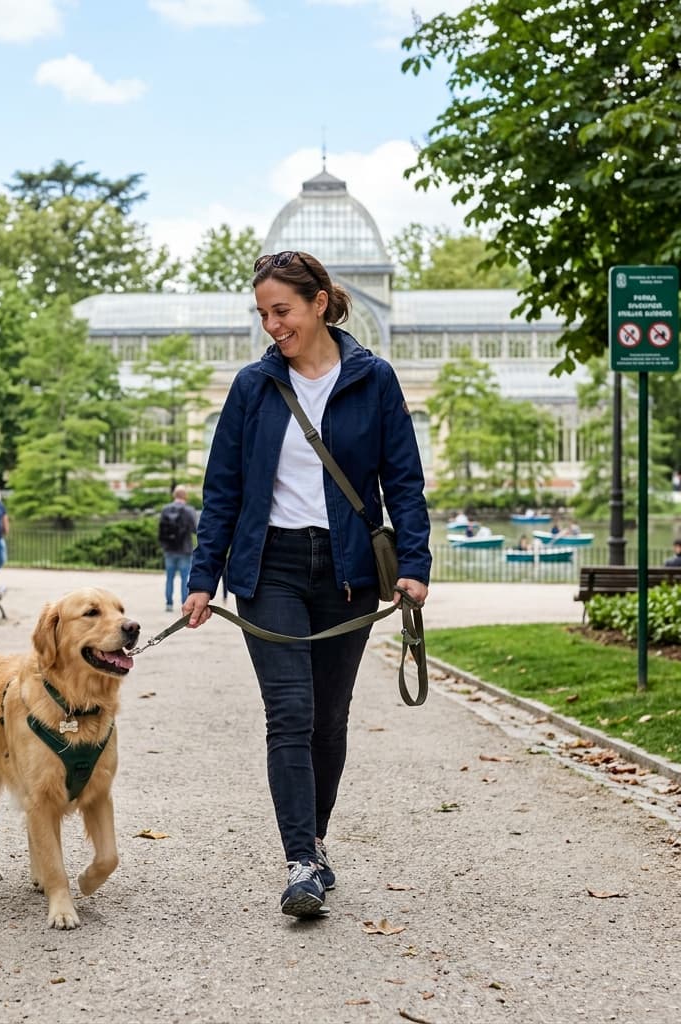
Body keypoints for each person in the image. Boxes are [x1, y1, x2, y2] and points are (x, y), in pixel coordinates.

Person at [182, 250, 431, 919]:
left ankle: (314, 844)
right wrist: (204, 576)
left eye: (282, 310)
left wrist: (414, 566)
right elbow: (222, 490)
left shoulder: (373, 380)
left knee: (328, 718)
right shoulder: (252, 387)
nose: (271, 325)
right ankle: (299, 862)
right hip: (271, 568)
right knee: (289, 713)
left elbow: (403, 480)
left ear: (320, 303)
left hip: (348, 570)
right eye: (263, 313)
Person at [158, 485, 199, 612]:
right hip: (185, 549)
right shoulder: (189, 510)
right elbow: (195, 529)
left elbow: (161, 530)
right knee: (184, 578)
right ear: (185, 496)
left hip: (169, 549)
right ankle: (184, 603)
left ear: (174, 495)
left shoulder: (165, 509)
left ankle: (169, 604)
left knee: (169, 577)